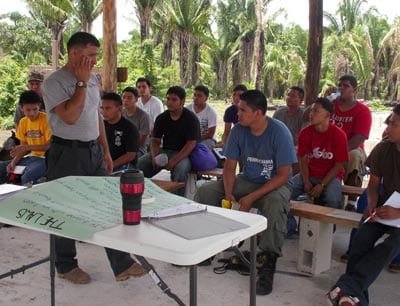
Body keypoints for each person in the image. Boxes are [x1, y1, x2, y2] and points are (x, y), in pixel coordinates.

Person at [43, 32, 145, 284]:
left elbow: (95, 116)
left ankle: (121, 263)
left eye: (95, 56)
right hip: (66, 152)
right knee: (65, 209)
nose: (92, 61)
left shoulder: (92, 80)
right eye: (89, 55)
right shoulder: (55, 82)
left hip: (94, 151)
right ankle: (65, 265)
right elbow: (69, 116)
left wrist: (106, 150)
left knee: (108, 204)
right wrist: (80, 82)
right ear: (74, 53)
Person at [194, 90, 296, 296]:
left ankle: (268, 261)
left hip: (274, 184)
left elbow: (284, 175)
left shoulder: (279, 131)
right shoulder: (239, 131)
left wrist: (251, 198)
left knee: (275, 204)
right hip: (246, 180)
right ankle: (207, 246)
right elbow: (229, 168)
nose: (237, 113)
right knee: (206, 192)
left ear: (258, 113)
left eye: (242, 110)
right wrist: (230, 195)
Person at [327, 104, 400, 306]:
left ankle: (346, 290)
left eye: (393, 123)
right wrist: (372, 204)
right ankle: (353, 297)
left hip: (397, 212)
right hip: (384, 208)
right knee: (360, 241)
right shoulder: (384, 148)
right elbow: (374, 184)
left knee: (391, 245)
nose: (388, 127)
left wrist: (398, 212)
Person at [137, 86, 200, 194]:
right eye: (168, 99)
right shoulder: (162, 118)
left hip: (183, 154)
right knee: (141, 163)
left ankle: (177, 201)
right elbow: (155, 140)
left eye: (174, 99)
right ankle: (143, 194)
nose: (170, 102)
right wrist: (155, 156)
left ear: (182, 101)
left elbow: (191, 144)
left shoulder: (191, 119)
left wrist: (174, 161)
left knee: (180, 170)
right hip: (165, 151)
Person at [291, 97, 349, 209]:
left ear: (327, 115)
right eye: (311, 110)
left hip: (332, 176)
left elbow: (339, 164)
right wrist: (306, 180)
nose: (311, 114)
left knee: (333, 199)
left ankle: (333, 225)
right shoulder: (305, 132)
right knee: (285, 191)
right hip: (310, 173)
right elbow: (303, 159)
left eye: (316, 111)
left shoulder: (339, 135)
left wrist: (321, 185)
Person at [328, 75, 372, 210]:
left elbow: (359, 138)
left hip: (351, 148)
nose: (341, 88)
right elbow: (308, 115)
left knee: (354, 156)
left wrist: (338, 152)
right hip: (327, 146)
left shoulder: (362, 111)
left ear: (355, 90)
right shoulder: (330, 105)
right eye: (339, 85)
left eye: (345, 86)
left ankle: (352, 201)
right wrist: (324, 100)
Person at [0, 90, 51, 185]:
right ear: (21, 108)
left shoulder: (46, 119)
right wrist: (13, 162)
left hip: (45, 160)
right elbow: (22, 149)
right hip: (30, 159)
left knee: (25, 177)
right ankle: (9, 189)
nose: (32, 113)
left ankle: (14, 188)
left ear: (39, 106)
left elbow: (48, 146)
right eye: (28, 110)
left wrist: (26, 147)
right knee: (4, 169)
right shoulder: (23, 122)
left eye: (35, 109)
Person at [101, 92, 140, 171]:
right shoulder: (101, 125)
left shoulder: (129, 128)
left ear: (119, 108)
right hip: (103, 163)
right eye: (102, 108)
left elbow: (131, 155)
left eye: (108, 108)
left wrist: (111, 165)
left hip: (124, 166)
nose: (103, 112)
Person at [186, 85, 218, 150]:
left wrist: (195, 140)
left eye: (199, 96)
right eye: (194, 95)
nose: (195, 98)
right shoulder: (187, 109)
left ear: (206, 98)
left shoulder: (211, 112)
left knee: (198, 150)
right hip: (189, 139)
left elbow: (210, 134)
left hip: (206, 140)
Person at [121, 86, 150, 157]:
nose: (125, 100)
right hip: (121, 146)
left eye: (129, 98)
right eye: (124, 97)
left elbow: (141, 141)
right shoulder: (121, 113)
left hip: (138, 149)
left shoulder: (143, 116)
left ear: (136, 99)